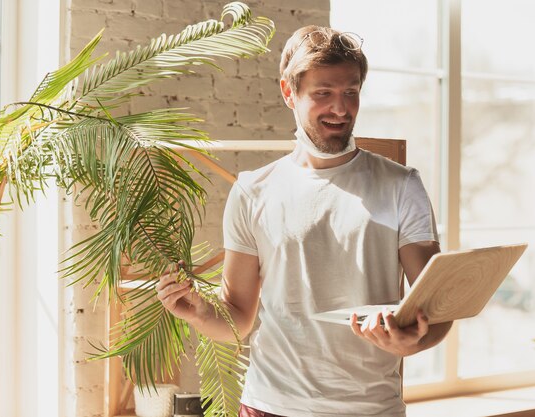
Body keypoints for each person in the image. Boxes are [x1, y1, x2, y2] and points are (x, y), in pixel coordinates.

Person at [156, 25, 453, 417]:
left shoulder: (401, 185)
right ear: (288, 92)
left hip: (370, 409)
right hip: (270, 406)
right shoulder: (252, 191)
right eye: (323, 93)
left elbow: (441, 305)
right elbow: (237, 319)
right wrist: (199, 312)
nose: (341, 109)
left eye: (351, 92)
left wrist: (414, 342)